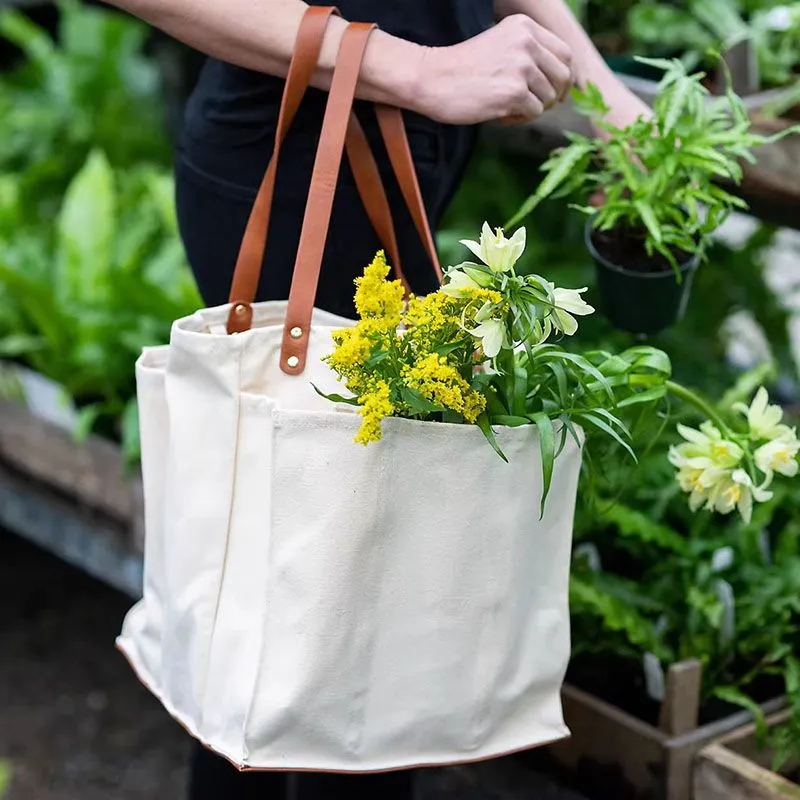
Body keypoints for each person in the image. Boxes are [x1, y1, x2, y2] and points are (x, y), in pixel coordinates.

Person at [103, 0, 650, 797]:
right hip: (296, 149)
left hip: (405, 139)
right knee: (328, 608)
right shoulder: (404, 79)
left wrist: (603, 97)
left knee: (336, 607)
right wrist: (418, 67)